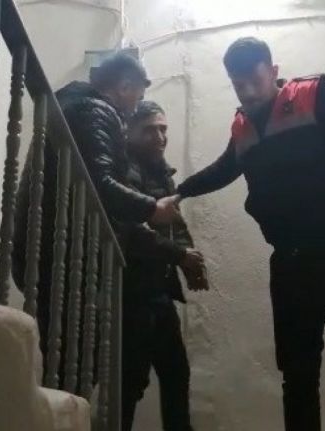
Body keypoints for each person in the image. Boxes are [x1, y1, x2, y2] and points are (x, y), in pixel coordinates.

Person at [172, 37, 325, 430]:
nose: (247, 92)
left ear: (273, 71)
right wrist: (178, 193)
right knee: (298, 377)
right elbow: (225, 168)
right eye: (238, 85)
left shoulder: (318, 97)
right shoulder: (244, 126)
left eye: (254, 81)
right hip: (291, 265)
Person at [12, 53, 179, 388]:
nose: (135, 107)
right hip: (65, 252)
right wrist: (152, 209)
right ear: (125, 86)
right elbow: (101, 183)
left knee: (64, 358)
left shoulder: (71, 106)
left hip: (49, 247)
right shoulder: (95, 110)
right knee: (73, 363)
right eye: (137, 97)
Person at [122, 101, 208, 431]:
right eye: (150, 130)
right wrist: (180, 256)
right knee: (131, 380)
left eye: (163, 129)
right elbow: (133, 232)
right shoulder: (125, 171)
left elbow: (175, 222)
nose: (160, 137)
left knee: (176, 373)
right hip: (131, 292)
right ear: (129, 132)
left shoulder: (160, 170)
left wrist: (188, 259)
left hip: (157, 290)